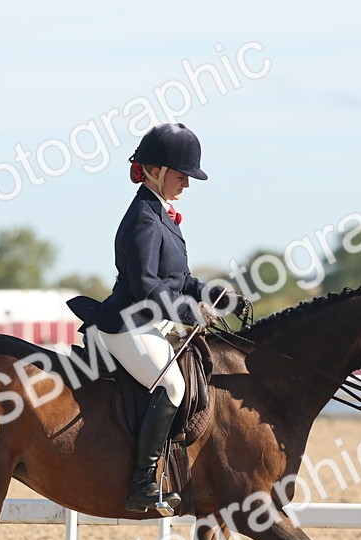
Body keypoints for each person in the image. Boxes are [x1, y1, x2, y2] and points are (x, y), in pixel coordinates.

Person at [67, 123, 244, 513]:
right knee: (174, 387)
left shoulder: (160, 214)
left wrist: (217, 295)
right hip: (127, 324)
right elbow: (148, 285)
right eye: (182, 175)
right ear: (155, 171)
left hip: (150, 323)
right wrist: (189, 311)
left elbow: (180, 278)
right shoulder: (144, 220)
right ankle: (142, 482)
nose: (187, 183)